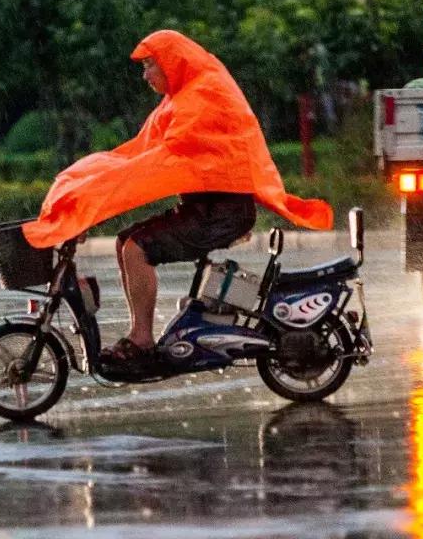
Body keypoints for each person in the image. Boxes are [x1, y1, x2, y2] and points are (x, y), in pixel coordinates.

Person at [22, 29, 333, 364]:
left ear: (172, 63)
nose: (145, 76)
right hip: (208, 209)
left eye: (150, 66)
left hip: (221, 214)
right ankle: (140, 335)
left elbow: (163, 161)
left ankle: (141, 339)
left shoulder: (201, 96)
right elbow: (136, 155)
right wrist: (87, 199)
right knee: (126, 241)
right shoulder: (181, 97)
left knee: (135, 250)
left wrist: (95, 203)